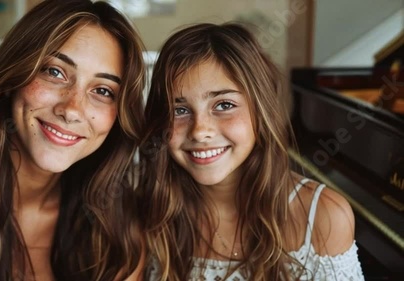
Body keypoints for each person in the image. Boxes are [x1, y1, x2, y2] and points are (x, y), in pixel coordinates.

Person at [0, 0, 146, 280]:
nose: (72, 110)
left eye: (103, 90)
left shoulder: (113, 222)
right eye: (55, 72)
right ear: (12, 77)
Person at [139, 22, 364, 280]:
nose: (200, 131)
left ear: (260, 110)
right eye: (179, 110)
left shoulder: (324, 216)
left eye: (223, 104)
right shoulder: (148, 211)